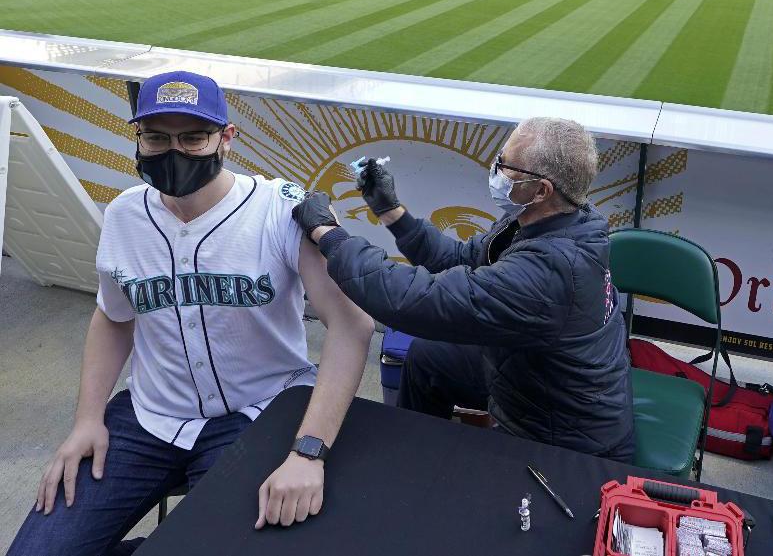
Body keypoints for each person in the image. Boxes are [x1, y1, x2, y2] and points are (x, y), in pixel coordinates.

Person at [8, 72, 375, 555]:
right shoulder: (124, 214)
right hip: (150, 417)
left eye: (193, 137)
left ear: (226, 138)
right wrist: (87, 420)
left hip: (258, 412)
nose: (173, 151)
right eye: (156, 137)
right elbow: (113, 317)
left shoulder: (279, 210)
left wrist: (309, 451)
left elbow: (352, 326)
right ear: (138, 136)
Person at [291, 117, 635, 462]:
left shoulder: (547, 273)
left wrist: (329, 234)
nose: (497, 170)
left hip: (560, 434)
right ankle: (416, 456)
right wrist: (390, 211)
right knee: (428, 358)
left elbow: (414, 300)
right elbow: (457, 258)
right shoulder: (551, 219)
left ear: (542, 190)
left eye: (506, 166)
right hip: (532, 374)